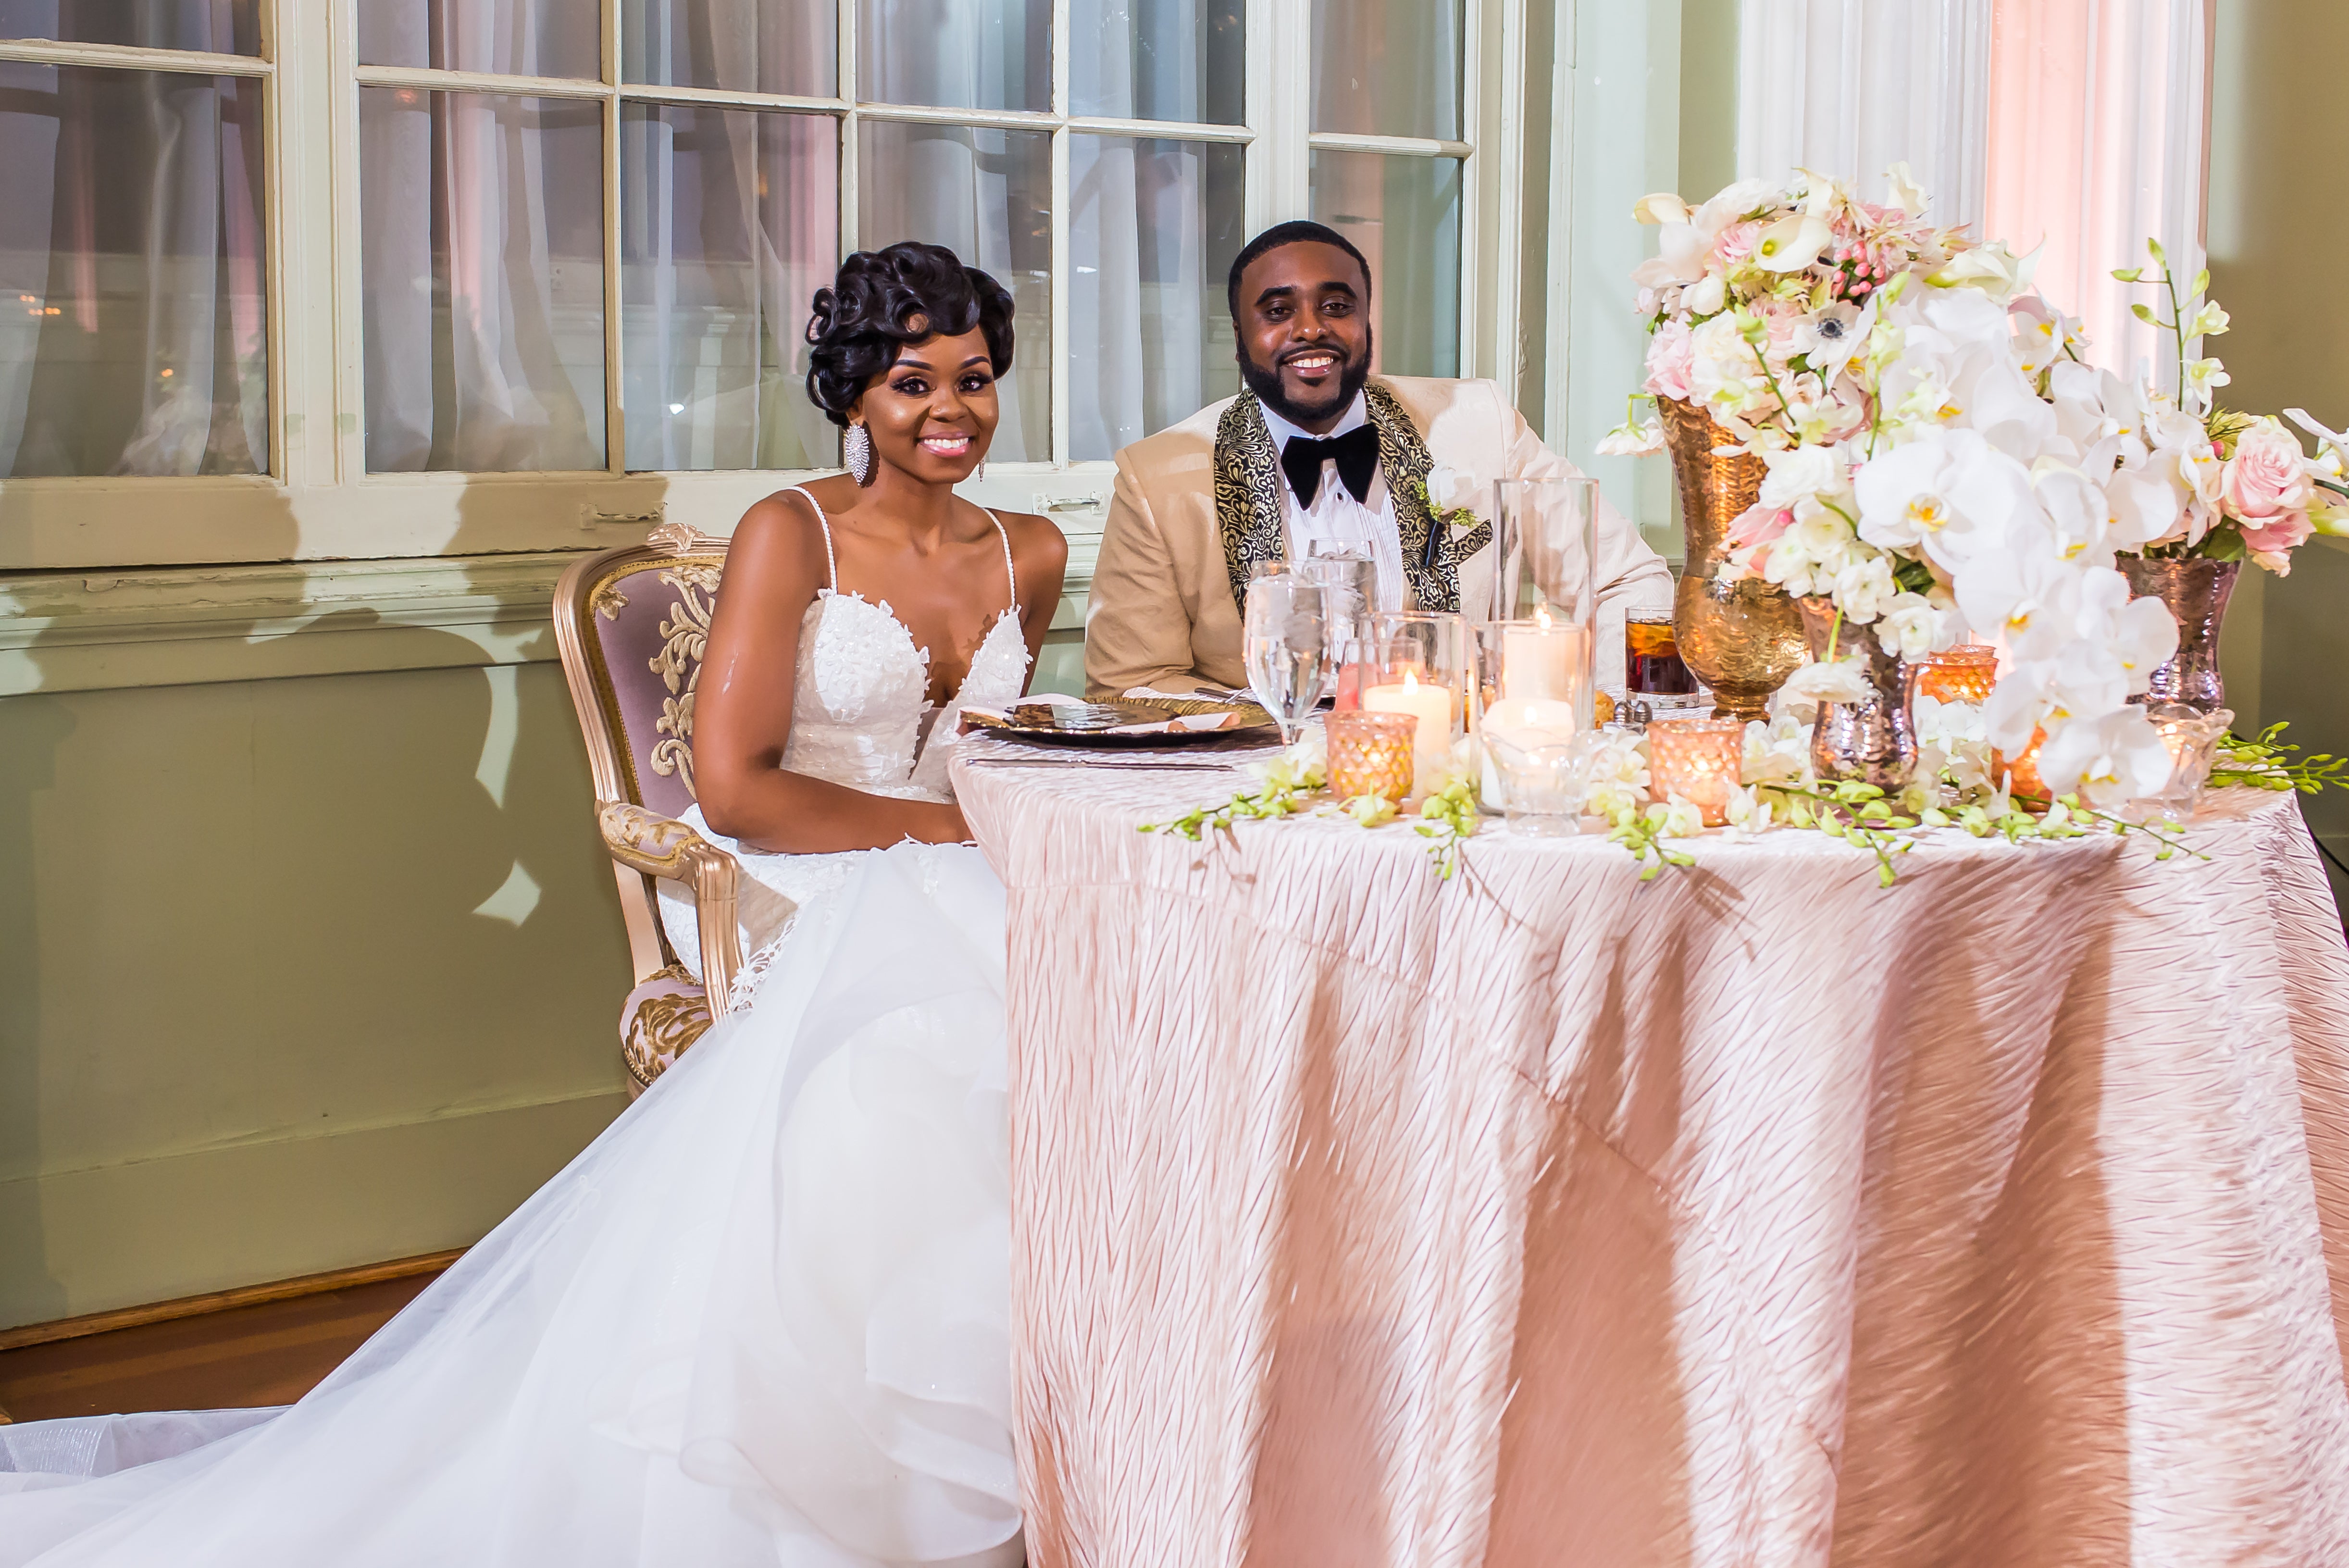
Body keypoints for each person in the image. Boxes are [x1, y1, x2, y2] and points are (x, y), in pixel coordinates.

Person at [0, 242, 1064, 1568]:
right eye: (912, 381)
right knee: (945, 1023)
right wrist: (954, 835)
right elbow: (731, 790)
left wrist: (1009, 825)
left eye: (973, 378)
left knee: (1089, 978)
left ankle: (1071, 1430)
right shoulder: (791, 530)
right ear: (853, 395)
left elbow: (991, 746)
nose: (949, 408)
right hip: (794, 860)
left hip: (949, 848)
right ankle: (861, 1459)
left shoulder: (1030, 547)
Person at [1084, 219, 1674, 700]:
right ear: (1239, 336)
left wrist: (1565, 708)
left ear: (1368, 321)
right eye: (1277, 311)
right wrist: (1271, 731)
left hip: (1455, 774)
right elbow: (1129, 684)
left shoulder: (1480, 424)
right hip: (1267, 794)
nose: (1311, 329)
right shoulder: (1156, 479)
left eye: (1337, 305)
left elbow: (1629, 583)